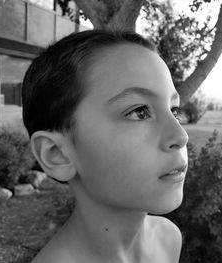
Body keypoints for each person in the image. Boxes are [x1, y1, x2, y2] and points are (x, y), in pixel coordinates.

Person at [22, 30, 189, 263]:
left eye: (174, 111)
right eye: (139, 112)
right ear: (57, 154)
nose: (180, 136)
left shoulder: (168, 239)